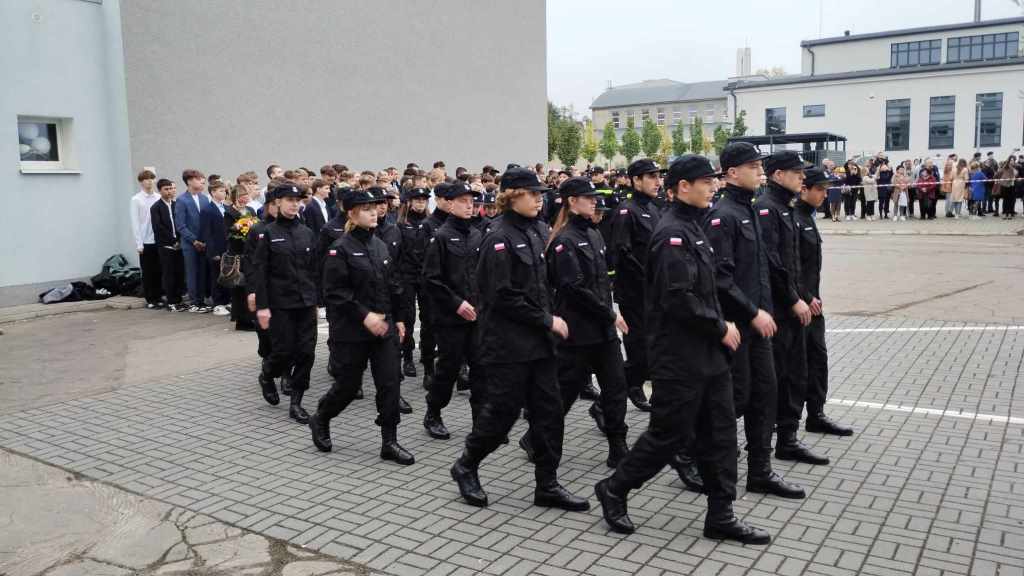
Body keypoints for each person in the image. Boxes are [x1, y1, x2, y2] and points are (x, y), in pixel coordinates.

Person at [595, 155, 769, 544]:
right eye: (705, 182)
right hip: (679, 355)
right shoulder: (672, 233)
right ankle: (614, 488)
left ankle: (721, 514)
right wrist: (720, 326)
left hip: (709, 354)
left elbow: (707, 289)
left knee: (720, 434)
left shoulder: (695, 225)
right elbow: (679, 298)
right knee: (668, 434)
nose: (713, 187)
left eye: (713, 181)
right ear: (683, 187)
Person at [450, 167, 588, 512]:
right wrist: (547, 319)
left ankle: (547, 485)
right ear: (512, 196)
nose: (540, 199)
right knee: (502, 415)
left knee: (550, 414)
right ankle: (466, 464)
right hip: (508, 345)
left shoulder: (538, 230)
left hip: (540, 344)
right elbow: (502, 296)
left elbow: (543, 284)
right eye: (533, 194)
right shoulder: (498, 238)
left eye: (541, 194)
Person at [703, 142, 805, 500]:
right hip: (736, 326)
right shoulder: (723, 216)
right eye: (754, 167)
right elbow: (720, 278)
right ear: (732, 172)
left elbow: (764, 267)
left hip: (759, 323)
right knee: (736, 398)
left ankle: (760, 472)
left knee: (765, 395)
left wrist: (773, 307)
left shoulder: (749, 210)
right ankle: (693, 451)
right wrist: (752, 312)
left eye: (761, 166)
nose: (761, 172)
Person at [522, 177, 630, 468]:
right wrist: (610, 314)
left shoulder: (593, 233)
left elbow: (601, 282)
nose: (594, 201)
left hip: (604, 330)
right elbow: (574, 288)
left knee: (616, 388)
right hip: (578, 331)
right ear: (572, 201)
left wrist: (609, 314)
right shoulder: (564, 240)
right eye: (588, 197)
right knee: (564, 394)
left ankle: (617, 444)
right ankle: (535, 437)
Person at [309, 188, 414, 465]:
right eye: (367, 209)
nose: (374, 212)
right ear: (352, 214)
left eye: (375, 207)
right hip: (352, 331)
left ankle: (389, 441)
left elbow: (393, 285)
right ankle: (322, 417)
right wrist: (365, 315)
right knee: (348, 385)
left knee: (390, 383)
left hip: (383, 328)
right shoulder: (339, 249)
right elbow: (334, 293)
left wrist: (399, 318)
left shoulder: (379, 245)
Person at [758, 152, 828, 465]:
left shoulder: (785, 208)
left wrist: (803, 296)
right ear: (778, 175)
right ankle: (765, 447)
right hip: (779, 309)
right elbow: (773, 263)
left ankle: (788, 439)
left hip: (795, 306)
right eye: (796, 172)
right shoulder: (766, 209)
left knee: (796, 375)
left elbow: (794, 263)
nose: (802, 177)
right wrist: (794, 298)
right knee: (777, 378)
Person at [251, 183, 318, 424]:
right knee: (283, 351)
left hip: (305, 302)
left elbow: (314, 269)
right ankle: (267, 374)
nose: (294, 204)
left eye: (297, 200)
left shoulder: (307, 233)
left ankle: (296, 403)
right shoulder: (268, 233)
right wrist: (262, 306)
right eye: (289, 200)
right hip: (280, 303)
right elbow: (260, 272)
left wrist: (317, 300)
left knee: (306, 353)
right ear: (277, 202)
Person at [794, 168, 855, 437]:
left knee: (818, 360)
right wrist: (803, 297)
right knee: (795, 366)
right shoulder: (793, 219)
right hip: (797, 305)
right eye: (819, 189)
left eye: (826, 189)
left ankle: (816, 414)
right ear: (803, 190)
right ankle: (785, 422)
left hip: (813, 304)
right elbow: (788, 267)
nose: (824, 194)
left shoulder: (809, 217)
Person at [422, 181, 483, 439]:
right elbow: (431, 279)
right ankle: (433, 412)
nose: (469, 206)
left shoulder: (478, 234)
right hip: (450, 318)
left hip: (477, 316)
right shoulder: (441, 237)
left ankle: (480, 421)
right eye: (463, 201)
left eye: (472, 202)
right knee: (448, 369)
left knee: (481, 368)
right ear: (449, 204)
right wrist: (456, 303)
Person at [610, 158, 665, 412]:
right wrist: (647, 277)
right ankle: (615, 396)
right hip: (634, 293)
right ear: (636, 180)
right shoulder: (626, 211)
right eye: (651, 176)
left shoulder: (654, 209)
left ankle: (624, 390)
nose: (657, 181)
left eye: (658, 176)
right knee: (639, 349)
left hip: (653, 292)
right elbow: (623, 252)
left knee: (652, 348)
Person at [396, 186, 435, 384]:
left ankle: (427, 356)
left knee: (428, 317)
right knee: (408, 317)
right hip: (407, 275)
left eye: (424, 200)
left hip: (425, 275)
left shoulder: (430, 223)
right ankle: (408, 356)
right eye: (417, 199)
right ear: (410, 202)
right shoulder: (401, 224)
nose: (421, 202)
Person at [175, 170, 212, 312]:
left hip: (204, 242)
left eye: (202, 180)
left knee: (202, 273)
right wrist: (194, 240)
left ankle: (201, 300)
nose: (202, 182)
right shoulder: (182, 200)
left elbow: (207, 221)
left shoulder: (204, 198)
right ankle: (194, 302)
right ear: (189, 181)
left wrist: (205, 239)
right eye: (198, 179)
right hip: (190, 244)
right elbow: (180, 225)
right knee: (192, 272)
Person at [225, 184, 257, 330]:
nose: (245, 198)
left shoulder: (250, 210)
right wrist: (237, 227)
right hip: (237, 253)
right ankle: (242, 319)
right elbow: (228, 233)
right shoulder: (229, 212)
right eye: (242, 196)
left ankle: (250, 317)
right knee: (239, 286)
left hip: (250, 251)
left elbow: (256, 223)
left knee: (249, 285)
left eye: (246, 195)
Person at [150, 179, 185, 312]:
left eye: (171, 188)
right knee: (169, 274)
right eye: (166, 189)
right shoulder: (156, 207)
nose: (169, 191)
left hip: (179, 245)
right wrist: (172, 241)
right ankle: (171, 301)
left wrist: (180, 240)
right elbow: (158, 228)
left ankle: (179, 300)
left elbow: (181, 223)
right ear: (160, 191)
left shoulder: (176, 205)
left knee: (179, 273)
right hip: (166, 246)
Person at [131, 169, 163, 308]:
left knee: (159, 270)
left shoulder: (158, 197)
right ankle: (150, 299)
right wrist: (139, 243)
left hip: (159, 240)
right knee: (148, 271)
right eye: (146, 179)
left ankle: (159, 296)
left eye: (152, 179)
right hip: (146, 241)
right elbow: (135, 223)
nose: (149, 182)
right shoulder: (136, 199)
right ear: (141, 182)